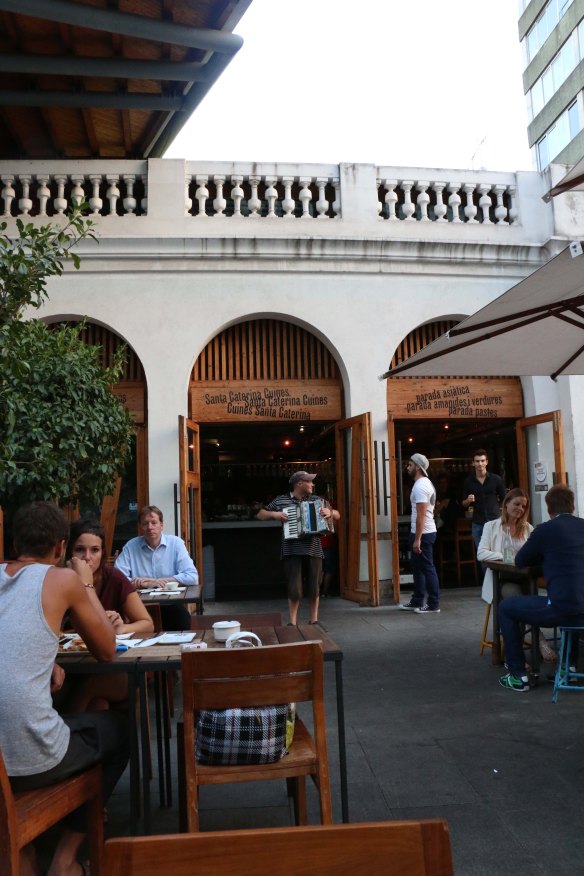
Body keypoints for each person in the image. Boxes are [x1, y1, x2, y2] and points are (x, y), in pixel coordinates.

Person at [0, 501, 129, 876]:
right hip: (30, 756)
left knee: (72, 715)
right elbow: (106, 649)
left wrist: (48, 657)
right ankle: (65, 858)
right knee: (120, 733)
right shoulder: (61, 579)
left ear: (12, 542)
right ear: (60, 548)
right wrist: (84, 580)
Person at [61, 518, 154, 712]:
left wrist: (122, 627)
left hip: (115, 667)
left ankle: (63, 737)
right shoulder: (58, 581)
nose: (87, 557)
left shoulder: (115, 578)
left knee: (91, 684)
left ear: (103, 553)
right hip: (72, 668)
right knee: (98, 705)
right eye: (80, 549)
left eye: (95, 550)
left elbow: (147, 623)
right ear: (68, 551)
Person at [498, 484, 584, 692]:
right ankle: (566, 668)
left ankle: (518, 675)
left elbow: (520, 560)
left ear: (548, 509)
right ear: (572, 506)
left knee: (507, 607)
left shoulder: (545, 530)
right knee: (574, 601)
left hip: (562, 609)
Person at [257, 471, 339, 626]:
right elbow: (261, 514)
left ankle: (314, 620)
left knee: (314, 586)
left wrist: (330, 512)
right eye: (310, 482)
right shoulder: (281, 500)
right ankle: (292, 622)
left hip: (314, 549)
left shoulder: (317, 500)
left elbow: (338, 515)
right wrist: (275, 515)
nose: (312, 484)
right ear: (299, 483)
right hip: (291, 550)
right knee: (294, 588)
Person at [115, 504, 198, 630]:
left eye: (154, 522)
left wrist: (160, 582)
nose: (150, 527)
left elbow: (192, 577)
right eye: (145, 523)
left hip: (171, 606)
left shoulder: (175, 543)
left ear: (161, 525)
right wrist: (144, 584)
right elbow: (117, 579)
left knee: (182, 618)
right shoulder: (131, 546)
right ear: (140, 526)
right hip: (141, 608)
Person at [399, 453, 440, 613]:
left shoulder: (421, 485)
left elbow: (421, 514)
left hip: (424, 532)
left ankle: (433, 603)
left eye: (410, 465)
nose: (407, 467)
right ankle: (417, 600)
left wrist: (417, 539)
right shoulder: (424, 483)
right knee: (417, 567)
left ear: (417, 467)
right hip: (422, 531)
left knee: (427, 567)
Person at [477, 488, 533, 604]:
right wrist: (504, 556)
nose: (520, 509)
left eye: (523, 506)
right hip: (501, 579)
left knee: (536, 599)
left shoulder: (528, 528)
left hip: (525, 577)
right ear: (507, 503)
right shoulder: (491, 526)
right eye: (516, 504)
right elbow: (481, 553)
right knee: (517, 597)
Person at [462, 449, 506, 549]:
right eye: (477, 461)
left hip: (495, 521)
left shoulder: (496, 479)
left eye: (482, 461)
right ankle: (485, 566)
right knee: (482, 554)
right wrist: (468, 501)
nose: (480, 464)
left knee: (497, 551)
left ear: (486, 462)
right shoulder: (468, 482)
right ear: (473, 463)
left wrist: (504, 518)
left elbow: (505, 500)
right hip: (478, 522)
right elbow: (463, 503)